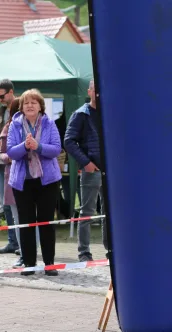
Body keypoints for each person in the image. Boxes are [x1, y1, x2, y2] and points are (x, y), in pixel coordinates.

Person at [6, 89, 62, 276]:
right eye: (26, 102)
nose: (30, 105)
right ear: (21, 107)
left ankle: (49, 264)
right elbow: (11, 152)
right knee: (26, 223)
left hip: (47, 181)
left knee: (46, 223)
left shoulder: (50, 123)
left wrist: (38, 147)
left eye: (34, 102)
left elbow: (56, 149)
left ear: (40, 106)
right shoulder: (14, 126)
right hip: (23, 182)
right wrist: (24, 146)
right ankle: (29, 264)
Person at [64, 80, 108, 261]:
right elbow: (68, 141)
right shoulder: (81, 114)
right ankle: (84, 252)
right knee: (87, 213)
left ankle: (110, 250)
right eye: (95, 89)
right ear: (89, 91)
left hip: (109, 171)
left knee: (109, 213)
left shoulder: (110, 112)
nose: (98, 93)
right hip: (92, 170)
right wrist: (86, 162)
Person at [0, 79, 19, 255]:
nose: (0, 99)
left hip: (16, 162)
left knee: (17, 204)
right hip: (1, 163)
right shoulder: (1, 111)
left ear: (11, 92)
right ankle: (13, 241)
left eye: (2, 96)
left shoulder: (21, 107)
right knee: (6, 205)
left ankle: (21, 242)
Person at [0, 97, 25, 266]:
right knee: (18, 218)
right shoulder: (9, 127)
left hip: (33, 178)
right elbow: (2, 154)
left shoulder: (40, 125)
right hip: (15, 177)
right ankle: (23, 253)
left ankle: (32, 253)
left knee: (34, 220)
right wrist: (12, 154)